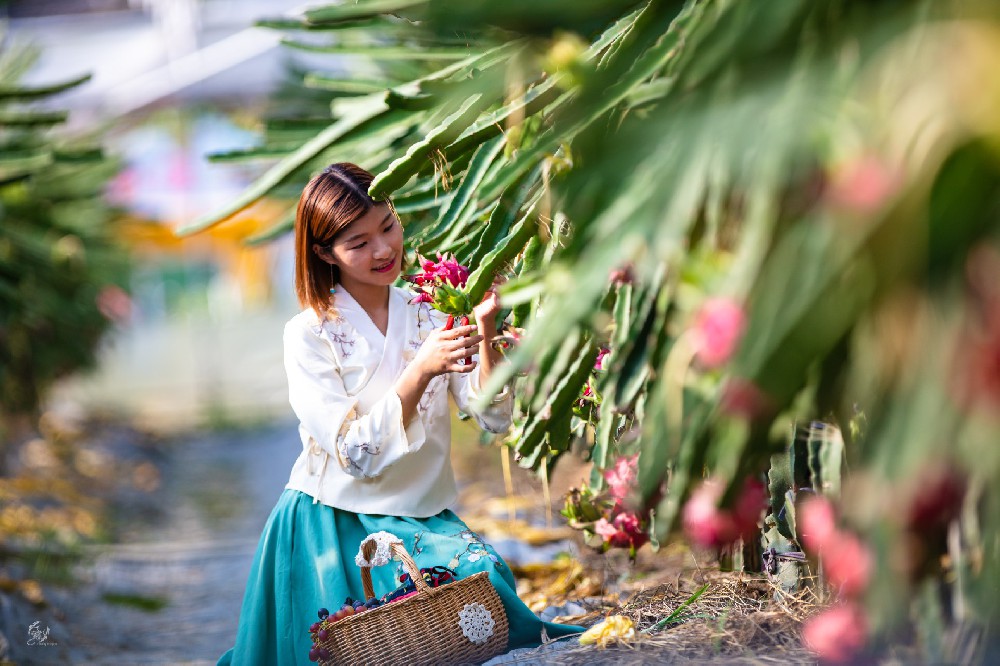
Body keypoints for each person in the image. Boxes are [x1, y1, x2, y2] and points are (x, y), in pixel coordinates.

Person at [218, 163, 581, 665]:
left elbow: (491, 417)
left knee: (486, 588)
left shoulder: (432, 310)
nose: (384, 250)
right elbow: (353, 454)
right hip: (330, 521)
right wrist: (420, 371)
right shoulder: (308, 335)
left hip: (421, 513)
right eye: (359, 242)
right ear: (324, 253)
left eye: (388, 225)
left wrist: (487, 329)